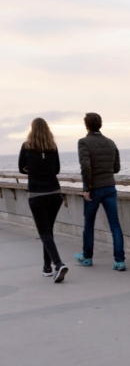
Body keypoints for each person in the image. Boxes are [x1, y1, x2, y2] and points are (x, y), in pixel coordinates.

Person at [18, 118, 69, 283]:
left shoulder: (26, 146)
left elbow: (21, 168)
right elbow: (57, 169)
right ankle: (47, 267)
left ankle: (58, 263)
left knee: (44, 232)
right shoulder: (52, 147)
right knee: (48, 230)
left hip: (37, 194)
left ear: (32, 129)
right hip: (54, 193)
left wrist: (31, 169)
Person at [75, 112, 126, 271]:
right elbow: (116, 168)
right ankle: (119, 261)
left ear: (86, 125)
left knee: (89, 224)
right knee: (115, 225)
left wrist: (87, 188)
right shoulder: (110, 142)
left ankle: (87, 257)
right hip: (110, 187)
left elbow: (85, 166)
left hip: (94, 189)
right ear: (100, 124)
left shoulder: (83, 142)